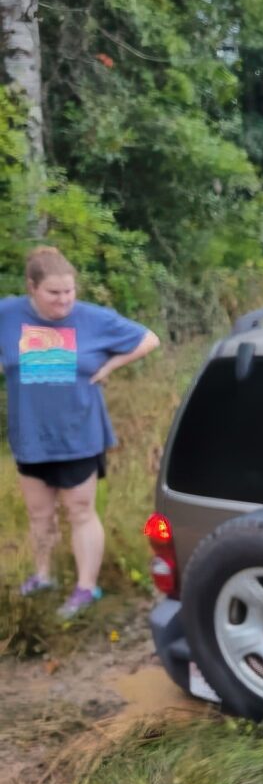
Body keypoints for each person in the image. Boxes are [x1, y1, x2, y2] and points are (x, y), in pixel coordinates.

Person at [0, 246, 160, 618]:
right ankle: (43, 576)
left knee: (81, 511)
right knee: (39, 514)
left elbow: (149, 339)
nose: (64, 300)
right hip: (30, 435)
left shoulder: (93, 319)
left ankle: (86, 588)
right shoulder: (8, 314)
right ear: (32, 288)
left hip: (78, 434)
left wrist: (111, 366)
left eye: (69, 291)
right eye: (54, 293)